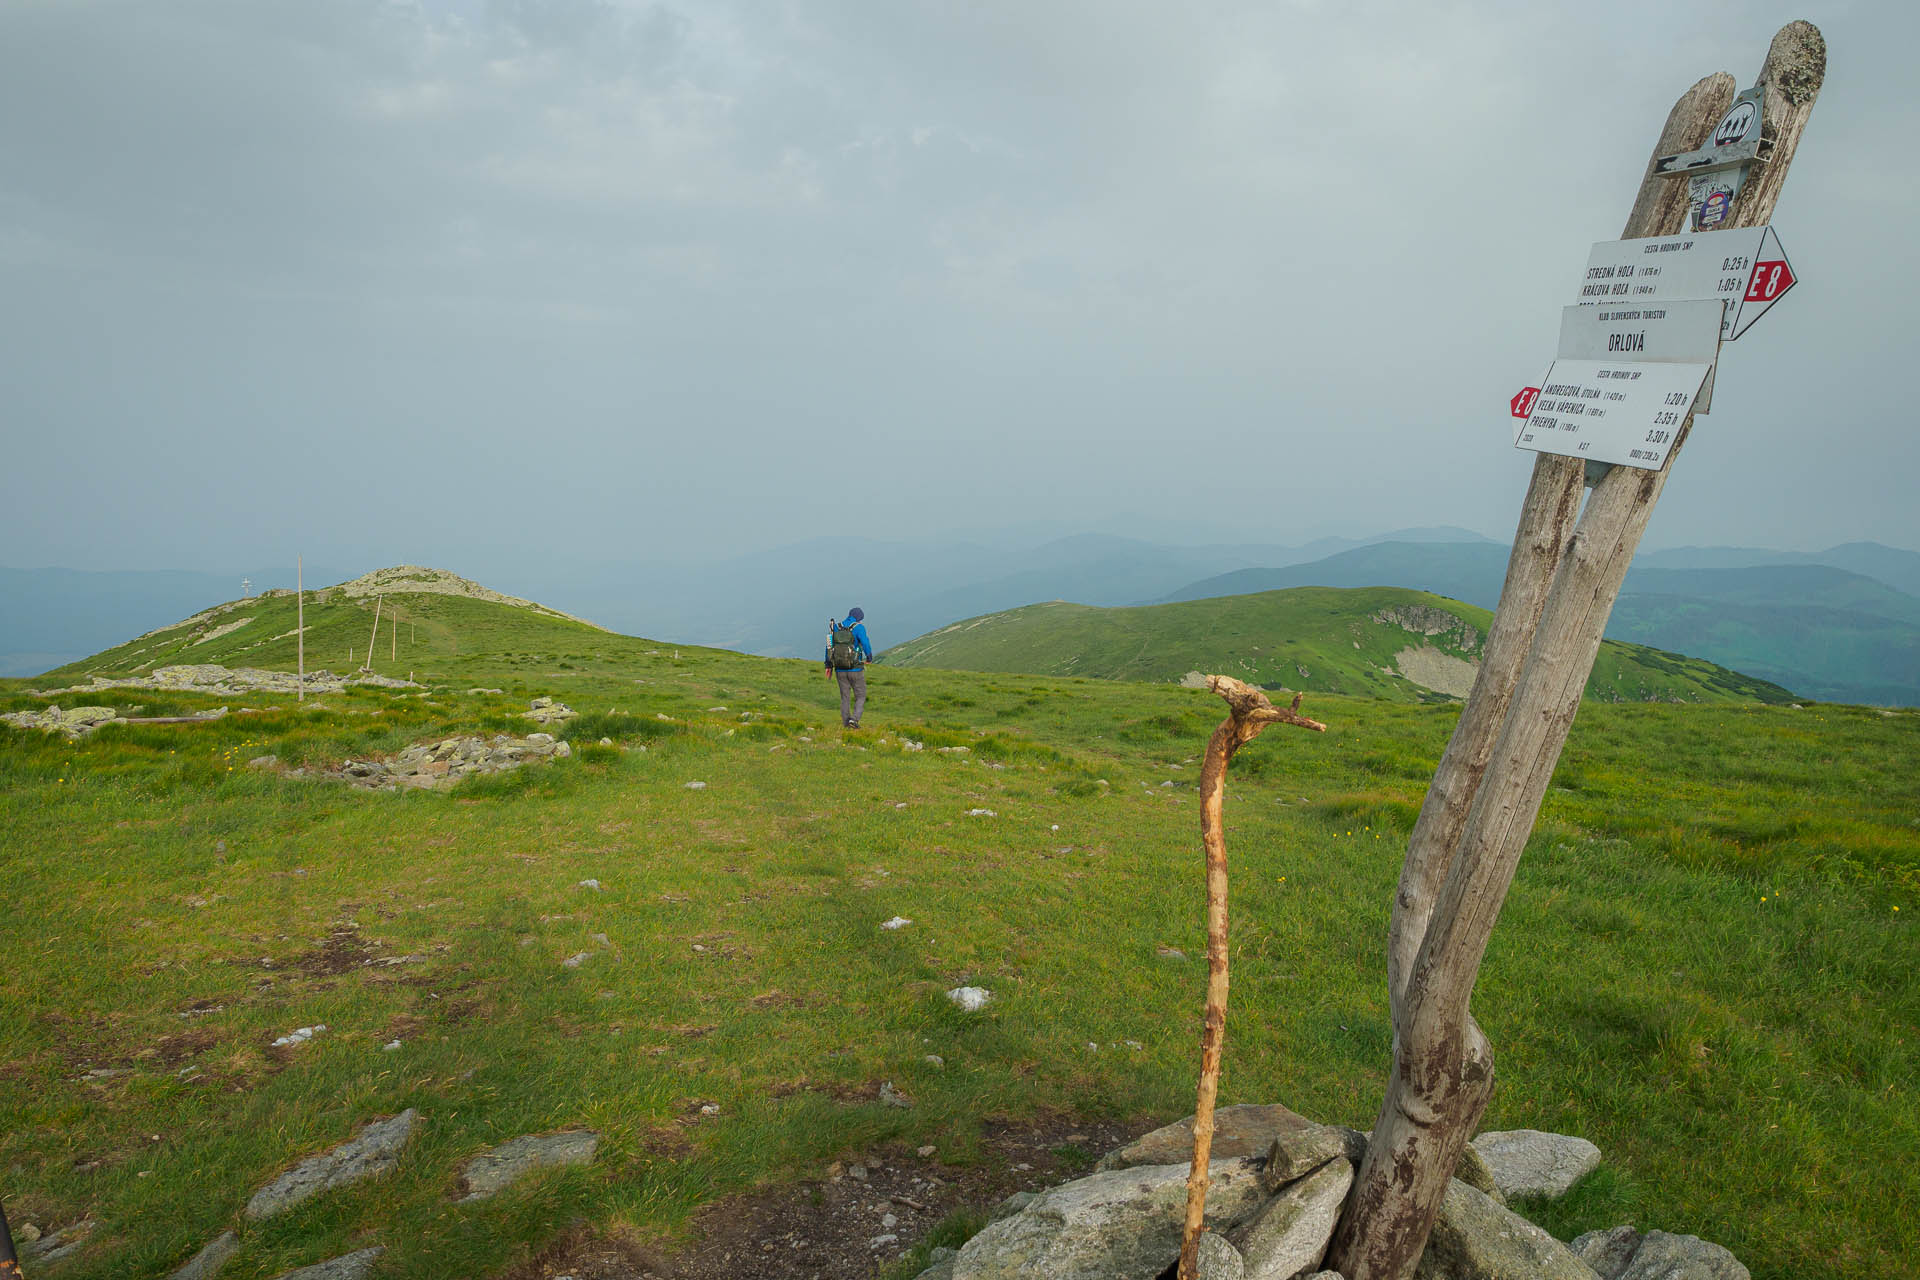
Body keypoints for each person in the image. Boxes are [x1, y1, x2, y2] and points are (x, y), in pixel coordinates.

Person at [824, 607, 873, 728]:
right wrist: (869, 657)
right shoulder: (859, 627)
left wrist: (828, 664)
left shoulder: (836, 627)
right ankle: (854, 720)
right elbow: (865, 643)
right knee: (860, 696)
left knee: (845, 697)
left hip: (839, 669)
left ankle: (846, 724)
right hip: (855, 669)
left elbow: (829, 646)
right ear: (859, 618)